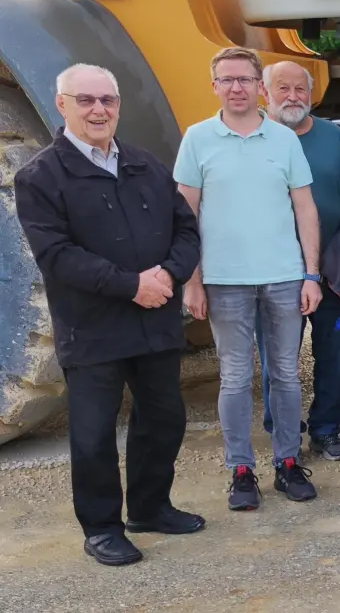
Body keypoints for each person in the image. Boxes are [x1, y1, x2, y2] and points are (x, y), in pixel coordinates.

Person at [14, 64, 203, 566]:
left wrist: (169, 274)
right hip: (92, 326)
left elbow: (187, 230)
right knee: (94, 434)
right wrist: (131, 285)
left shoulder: (145, 165)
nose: (98, 110)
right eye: (86, 100)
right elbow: (57, 255)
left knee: (163, 419)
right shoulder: (40, 177)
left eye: (108, 100)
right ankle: (100, 528)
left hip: (155, 318)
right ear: (62, 105)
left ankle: (149, 507)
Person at [175, 47, 323, 509]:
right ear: (214, 86)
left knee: (286, 375)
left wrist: (311, 274)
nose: (236, 87)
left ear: (260, 87)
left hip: (284, 276)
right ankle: (241, 470)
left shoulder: (284, 140)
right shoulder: (197, 139)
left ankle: (288, 462)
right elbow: (185, 214)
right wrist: (193, 280)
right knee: (236, 378)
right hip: (225, 280)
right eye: (227, 79)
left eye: (244, 79)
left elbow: (305, 208)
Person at [259, 61, 340, 461]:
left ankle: (326, 430)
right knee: (278, 360)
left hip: (330, 269)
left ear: (312, 94)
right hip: (274, 270)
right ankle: (283, 434)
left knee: (334, 354)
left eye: (301, 89)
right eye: (283, 88)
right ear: (265, 92)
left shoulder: (333, 136)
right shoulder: (255, 138)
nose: (293, 96)